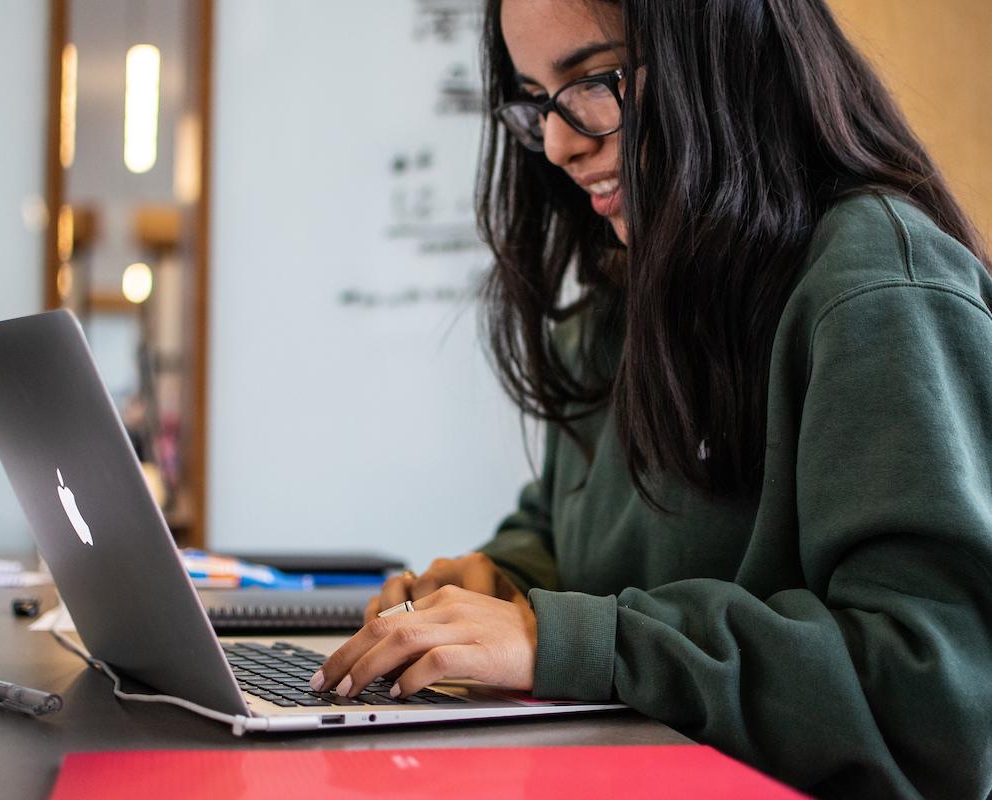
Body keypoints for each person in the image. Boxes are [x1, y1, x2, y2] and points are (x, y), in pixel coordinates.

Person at [313, 0, 992, 796]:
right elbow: (569, 529)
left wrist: (565, 639)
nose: (559, 143)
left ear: (729, 51)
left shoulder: (879, 291)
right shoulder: (633, 292)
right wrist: (500, 580)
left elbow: (937, 701)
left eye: (593, 81)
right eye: (537, 101)